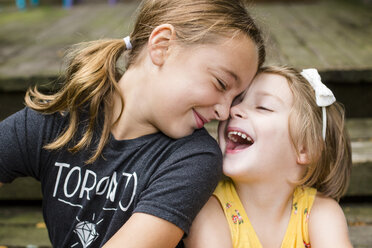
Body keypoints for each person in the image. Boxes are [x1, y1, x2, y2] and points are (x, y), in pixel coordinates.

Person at [0, 0, 266, 247]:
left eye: (235, 99)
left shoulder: (194, 158)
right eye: (221, 83)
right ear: (162, 46)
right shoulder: (56, 123)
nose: (224, 112)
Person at [184, 66, 353, 248]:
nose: (233, 110)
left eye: (263, 107)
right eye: (236, 101)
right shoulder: (208, 208)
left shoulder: (320, 212)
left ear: (305, 149)